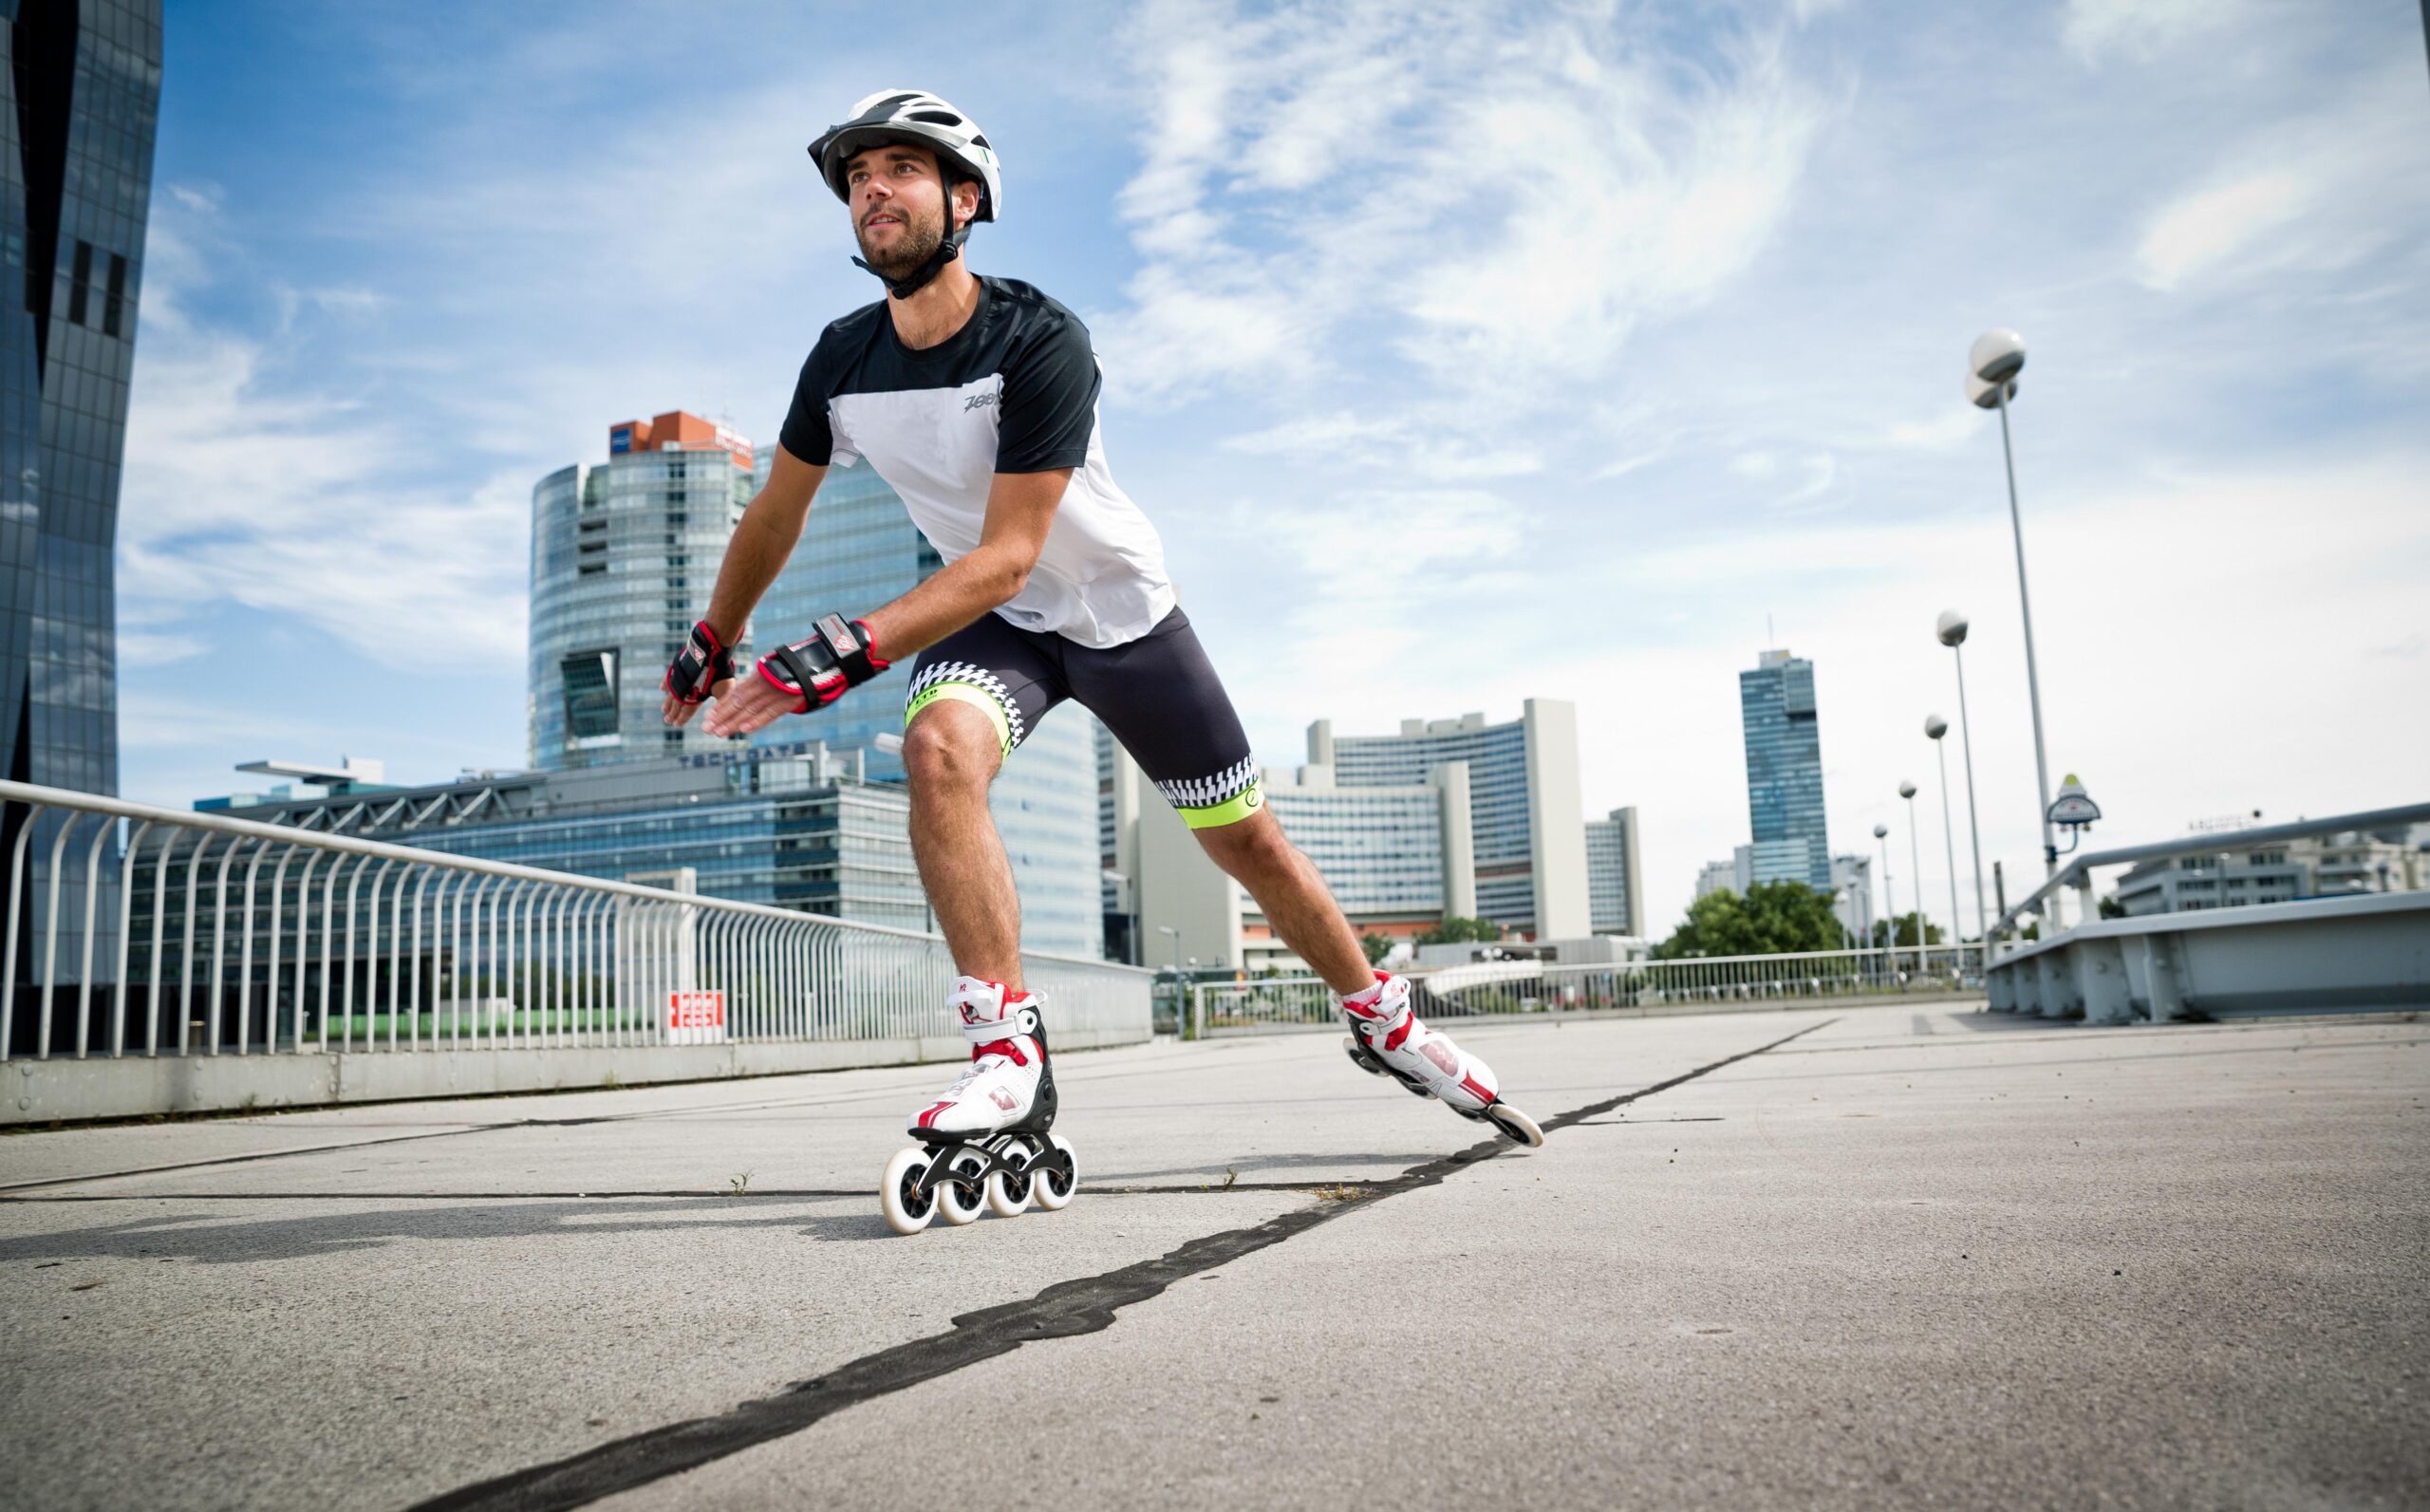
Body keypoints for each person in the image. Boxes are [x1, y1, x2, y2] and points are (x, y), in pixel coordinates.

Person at [662, 89, 1542, 1229]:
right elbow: (776, 514)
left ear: (963, 199)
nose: (872, 187)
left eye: (899, 168)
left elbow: (1014, 551)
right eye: (856, 174)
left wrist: (838, 654)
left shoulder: (1038, 338)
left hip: (1119, 618)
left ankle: (1382, 1019)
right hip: (1002, 628)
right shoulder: (840, 360)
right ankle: (1004, 1047)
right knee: (936, 752)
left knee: (1252, 846)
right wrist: (714, 633)